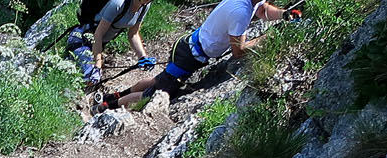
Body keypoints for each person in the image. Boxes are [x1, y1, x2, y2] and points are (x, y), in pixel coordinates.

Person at [102, 0, 296, 110]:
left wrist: (284, 15)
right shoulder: (241, 13)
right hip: (190, 57)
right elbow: (238, 51)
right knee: (154, 94)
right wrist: (267, 38)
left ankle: (115, 95)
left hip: (188, 46)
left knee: (158, 80)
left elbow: (263, 10)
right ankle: (109, 106)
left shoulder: (247, 1)